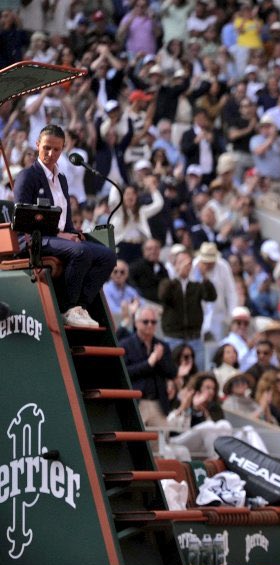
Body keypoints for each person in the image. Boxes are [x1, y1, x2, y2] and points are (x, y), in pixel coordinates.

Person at [13, 124, 115, 327]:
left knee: (107, 256)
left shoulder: (62, 180)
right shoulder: (28, 175)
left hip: (58, 238)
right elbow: (23, 221)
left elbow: (66, 221)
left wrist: (72, 234)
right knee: (80, 252)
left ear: (63, 149)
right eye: (46, 148)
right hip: (34, 239)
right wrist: (62, 236)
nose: (50, 154)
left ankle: (81, 307)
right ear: (37, 145)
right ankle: (68, 307)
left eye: (56, 149)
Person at [158, 249, 217, 370]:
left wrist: (204, 276)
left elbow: (211, 296)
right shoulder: (168, 283)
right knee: (172, 370)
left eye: (188, 263)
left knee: (199, 369)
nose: (185, 266)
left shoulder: (196, 285)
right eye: (181, 262)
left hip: (194, 336)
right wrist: (177, 275)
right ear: (174, 264)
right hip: (173, 336)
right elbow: (163, 296)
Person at [120, 305, 177, 426]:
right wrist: (149, 363)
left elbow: (172, 372)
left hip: (158, 403)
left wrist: (159, 359)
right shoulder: (125, 345)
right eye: (145, 322)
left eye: (153, 322)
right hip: (136, 403)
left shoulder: (162, 345)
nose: (150, 325)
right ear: (136, 323)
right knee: (135, 442)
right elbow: (124, 373)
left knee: (161, 442)